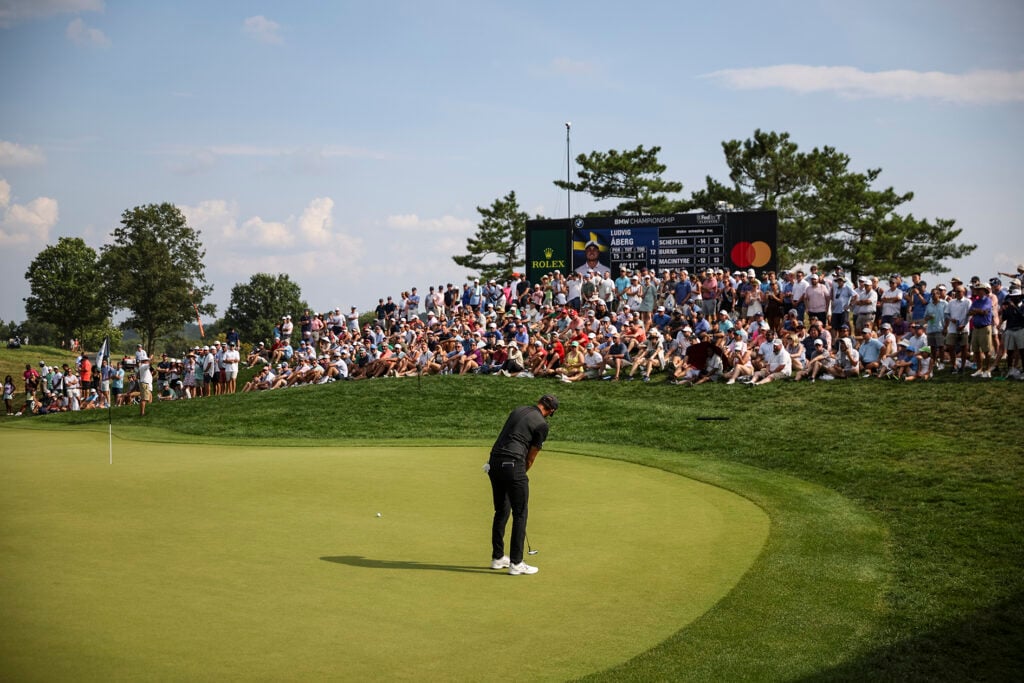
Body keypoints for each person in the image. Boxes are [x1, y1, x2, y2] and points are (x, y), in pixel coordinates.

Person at [486, 394, 558, 576]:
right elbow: (531, 458)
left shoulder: (518, 410)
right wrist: (518, 475)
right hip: (513, 463)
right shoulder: (542, 425)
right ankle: (516, 563)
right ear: (550, 411)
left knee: (501, 510)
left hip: (493, 462)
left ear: (539, 402)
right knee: (520, 513)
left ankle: (497, 558)